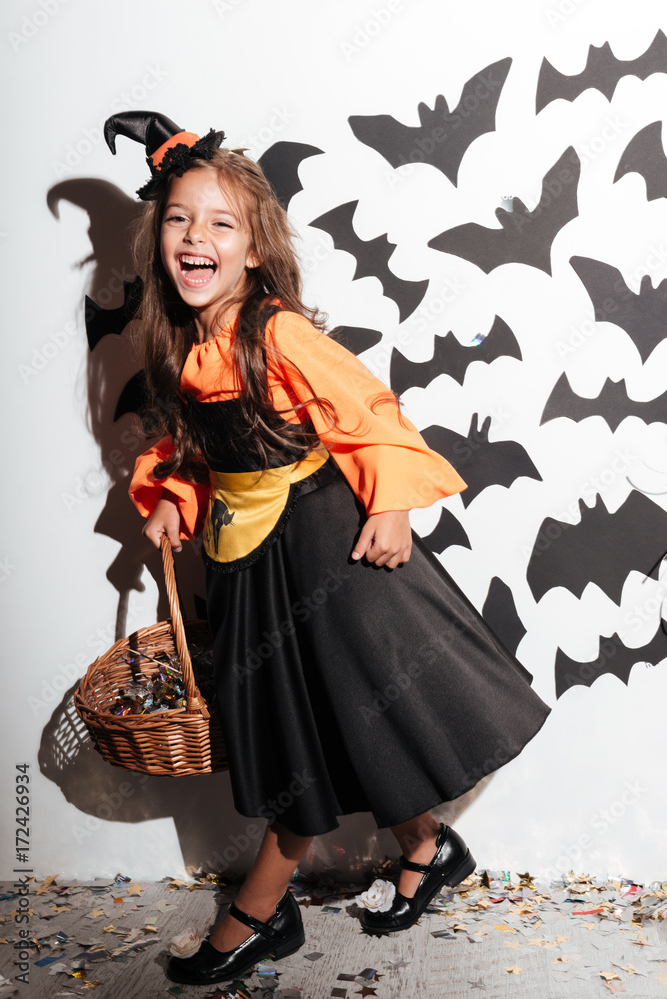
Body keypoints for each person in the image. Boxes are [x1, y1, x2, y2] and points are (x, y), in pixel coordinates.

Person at [104, 111, 552, 987]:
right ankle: (426, 847)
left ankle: (258, 916)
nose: (196, 237)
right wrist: (173, 501)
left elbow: (369, 409)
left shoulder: (277, 332)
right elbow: (201, 446)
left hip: (319, 543)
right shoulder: (180, 344)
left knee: (311, 732)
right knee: (338, 712)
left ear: (256, 250)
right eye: (179, 220)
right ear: (159, 238)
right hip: (248, 562)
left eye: (220, 223)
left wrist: (390, 505)